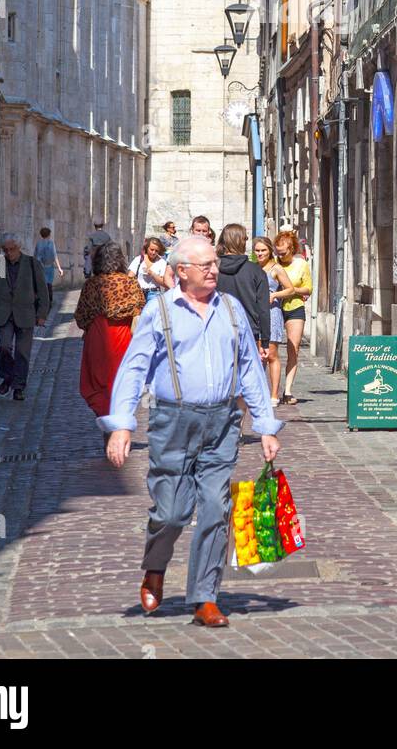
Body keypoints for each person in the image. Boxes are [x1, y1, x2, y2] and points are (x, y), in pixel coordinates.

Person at [103, 235, 282, 628]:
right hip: (173, 422)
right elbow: (134, 368)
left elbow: (250, 369)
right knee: (171, 512)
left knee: (216, 509)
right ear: (182, 272)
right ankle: (155, 566)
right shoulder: (160, 312)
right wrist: (121, 425)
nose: (214, 270)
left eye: (215, 263)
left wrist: (265, 425)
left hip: (222, 423)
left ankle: (205, 597)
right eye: (206, 266)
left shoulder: (231, 310)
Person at [75, 242, 146, 417]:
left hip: (98, 335)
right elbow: (141, 309)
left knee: (98, 381)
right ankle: (119, 415)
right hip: (123, 335)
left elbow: (81, 315)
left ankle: (106, 417)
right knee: (122, 378)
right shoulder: (130, 282)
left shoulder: (92, 284)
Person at [0, 233, 51, 400]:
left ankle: (19, 387)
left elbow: (43, 291)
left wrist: (42, 314)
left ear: (18, 247)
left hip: (26, 314)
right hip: (4, 314)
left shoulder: (31, 263)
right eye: (5, 250)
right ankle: (8, 377)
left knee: (23, 353)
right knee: (4, 347)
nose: (8, 253)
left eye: (11, 249)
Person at [272, 230, 312, 405]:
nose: (280, 255)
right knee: (270, 351)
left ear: (292, 249)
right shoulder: (272, 263)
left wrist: (291, 290)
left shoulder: (301, 265)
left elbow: (308, 289)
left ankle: (287, 391)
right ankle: (272, 390)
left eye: (283, 252)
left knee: (292, 349)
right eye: (277, 251)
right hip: (273, 309)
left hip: (294, 307)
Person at [215, 223, 270, 353]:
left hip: (219, 328)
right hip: (248, 329)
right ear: (242, 242)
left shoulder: (212, 269)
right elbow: (263, 308)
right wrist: (266, 341)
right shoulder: (255, 270)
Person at [252, 236, 293, 404]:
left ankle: (274, 394)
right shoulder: (253, 268)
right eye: (257, 250)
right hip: (255, 314)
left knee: (272, 354)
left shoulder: (276, 269)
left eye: (263, 250)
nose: (260, 253)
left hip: (272, 313)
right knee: (257, 353)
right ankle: (258, 392)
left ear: (270, 251)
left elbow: (290, 289)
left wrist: (274, 294)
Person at [34, 226, 63, 291]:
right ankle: (49, 298)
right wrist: (59, 268)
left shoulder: (38, 243)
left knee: (41, 284)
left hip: (40, 267)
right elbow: (55, 256)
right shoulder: (51, 243)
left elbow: (35, 257)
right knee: (49, 284)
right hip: (50, 267)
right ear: (49, 235)